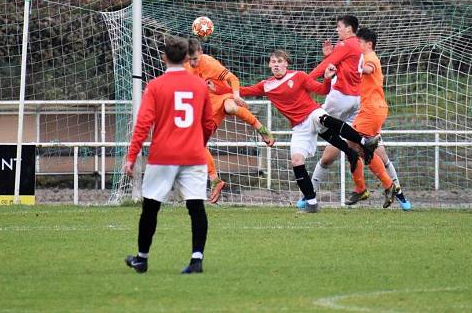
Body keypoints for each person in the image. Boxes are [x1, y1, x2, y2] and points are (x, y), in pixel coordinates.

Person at [124, 36, 217, 274]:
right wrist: (199, 144)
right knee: (196, 207)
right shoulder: (199, 85)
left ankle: (142, 258)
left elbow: (143, 124)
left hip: (163, 155)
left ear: (164, 57)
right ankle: (197, 259)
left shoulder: (155, 86)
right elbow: (209, 123)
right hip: (194, 154)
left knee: (151, 207)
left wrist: (132, 156)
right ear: (187, 57)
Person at [239, 50, 361, 212]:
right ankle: (311, 203)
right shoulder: (266, 85)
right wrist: (217, 88)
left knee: (322, 119)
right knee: (296, 161)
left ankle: (357, 146)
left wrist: (327, 79)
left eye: (279, 61)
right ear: (269, 64)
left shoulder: (299, 76)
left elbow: (322, 90)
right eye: (273, 61)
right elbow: (243, 91)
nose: (276, 64)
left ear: (286, 63)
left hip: (312, 113)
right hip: (299, 127)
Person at [320, 27, 411, 210]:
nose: (357, 45)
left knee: (355, 146)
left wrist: (355, 65)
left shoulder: (370, 58)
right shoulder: (361, 58)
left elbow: (368, 69)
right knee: (356, 147)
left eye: (359, 42)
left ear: (368, 44)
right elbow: (347, 74)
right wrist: (332, 59)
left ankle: (378, 186)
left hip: (371, 111)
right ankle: (378, 186)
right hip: (367, 111)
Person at [185, 39, 275, 203]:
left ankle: (261, 129)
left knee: (232, 107)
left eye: (195, 59)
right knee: (197, 144)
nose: (193, 62)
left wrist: (236, 95)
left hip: (222, 95)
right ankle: (215, 181)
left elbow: (232, 78)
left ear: (201, 53)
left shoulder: (210, 63)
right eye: (190, 59)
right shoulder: (184, 67)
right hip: (207, 107)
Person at [305, 15, 364, 198]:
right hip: (355, 101)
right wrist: (331, 55)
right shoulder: (359, 46)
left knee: (311, 123)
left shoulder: (345, 44)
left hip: (340, 97)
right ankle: (364, 188)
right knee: (336, 153)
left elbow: (326, 66)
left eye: (339, 27)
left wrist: (306, 80)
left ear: (348, 29)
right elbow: (340, 64)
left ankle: (301, 158)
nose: (337, 30)